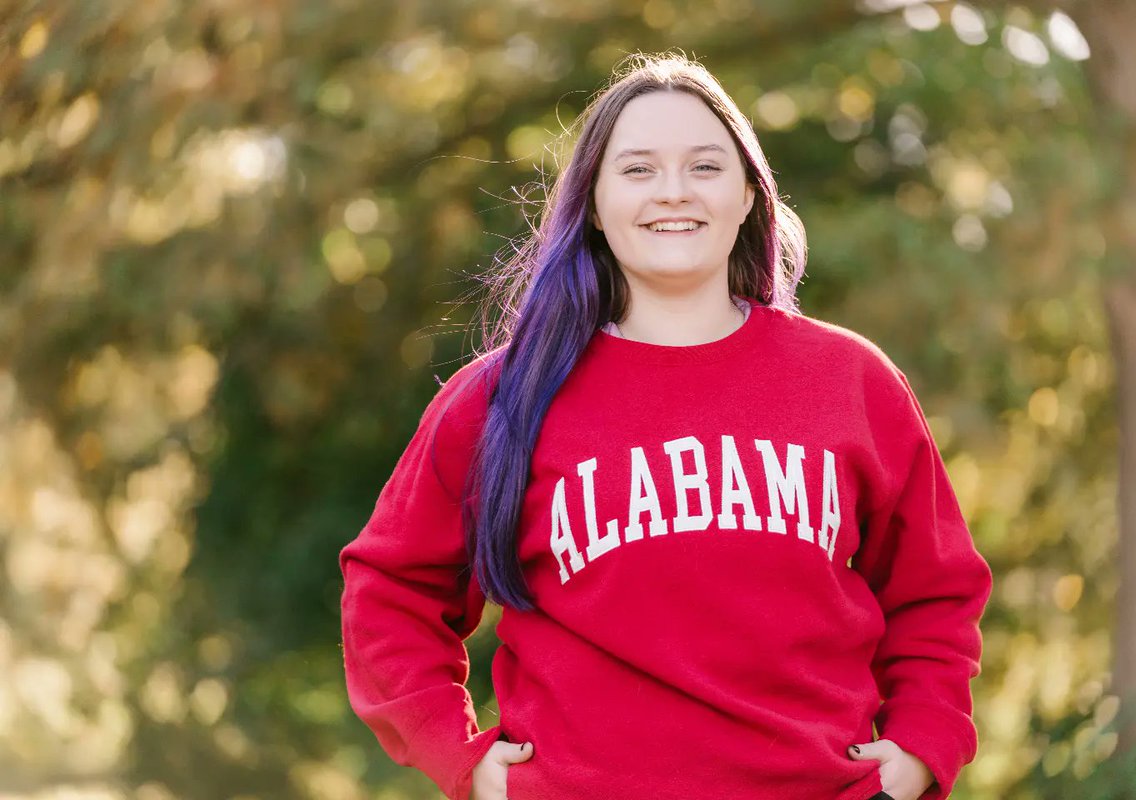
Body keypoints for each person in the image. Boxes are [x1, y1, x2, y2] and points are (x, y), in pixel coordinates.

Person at [339, 52, 992, 800]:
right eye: (639, 169)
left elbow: (936, 594)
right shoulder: (502, 398)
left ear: (750, 194)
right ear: (592, 201)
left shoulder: (852, 382)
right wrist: (457, 754)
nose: (674, 192)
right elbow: (390, 591)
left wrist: (920, 748)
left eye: (706, 167)